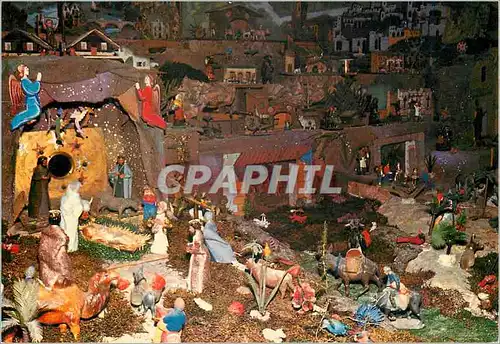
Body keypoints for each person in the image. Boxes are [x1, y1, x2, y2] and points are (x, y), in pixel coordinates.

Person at [11, 65, 42, 131]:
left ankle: (23, 122)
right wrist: (38, 80)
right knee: (35, 111)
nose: (28, 69)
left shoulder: (27, 80)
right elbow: (32, 90)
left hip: (33, 101)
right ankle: (14, 123)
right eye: (26, 68)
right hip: (31, 102)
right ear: (22, 71)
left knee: (36, 111)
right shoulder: (24, 81)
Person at [60, 181, 85, 252]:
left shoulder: (65, 197)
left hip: (65, 218)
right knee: (71, 233)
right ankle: (71, 248)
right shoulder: (75, 197)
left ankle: (64, 246)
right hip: (72, 219)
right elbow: (79, 208)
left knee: (64, 230)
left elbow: (63, 207)